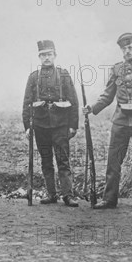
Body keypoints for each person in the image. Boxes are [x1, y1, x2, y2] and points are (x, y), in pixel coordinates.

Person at [83, 32, 132, 209]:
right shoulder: (117, 69)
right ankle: (110, 199)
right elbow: (108, 95)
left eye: (130, 47)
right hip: (120, 121)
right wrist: (93, 108)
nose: (127, 51)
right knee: (113, 160)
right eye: (123, 48)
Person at [22, 40, 80, 207]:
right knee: (46, 160)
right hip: (40, 126)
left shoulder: (63, 75)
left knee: (63, 160)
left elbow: (73, 101)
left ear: (55, 55)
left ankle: (68, 195)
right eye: (43, 55)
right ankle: (51, 194)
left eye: (49, 54)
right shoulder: (33, 77)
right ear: (39, 57)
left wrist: (73, 125)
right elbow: (26, 102)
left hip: (61, 125)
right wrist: (27, 126)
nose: (46, 58)